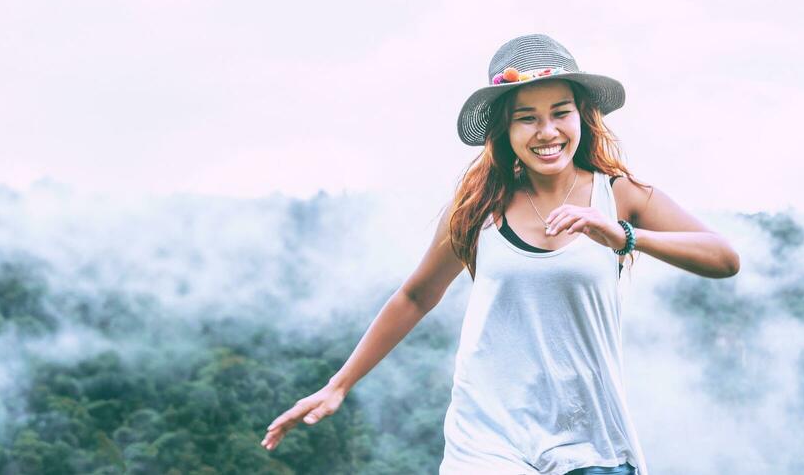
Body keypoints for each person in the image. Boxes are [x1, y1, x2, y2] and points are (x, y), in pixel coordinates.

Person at [261, 34, 741, 474]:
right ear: (505, 131)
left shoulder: (620, 195)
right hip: (488, 439)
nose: (546, 131)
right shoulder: (478, 209)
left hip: (590, 442)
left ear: (583, 117)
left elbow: (723, 258)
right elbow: (415, 296)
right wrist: (339, 384)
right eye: (526, 117)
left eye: (560, 112)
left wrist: (624, 236)